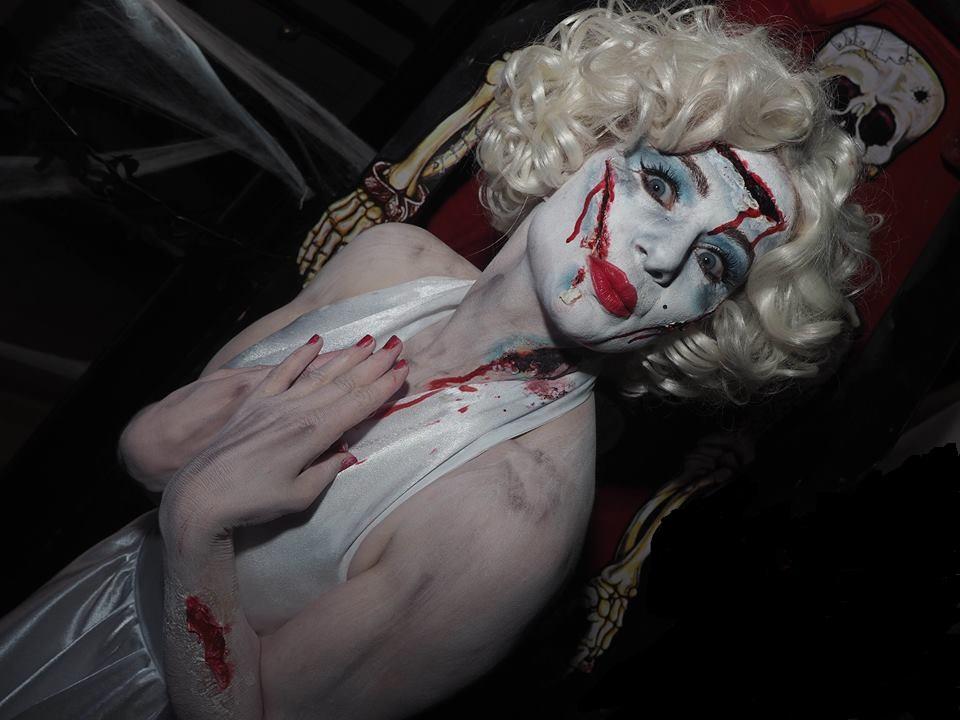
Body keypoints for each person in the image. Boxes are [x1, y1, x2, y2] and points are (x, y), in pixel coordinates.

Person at [0, 3, 873, 719]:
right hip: (71, 609)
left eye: (717, 262)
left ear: (717, 316)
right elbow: (153, 452)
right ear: (594, 137)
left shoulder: (515, 522)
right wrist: (165, 457)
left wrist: (200, 524)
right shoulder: (389, 261)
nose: (664, 255)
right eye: (663, 184)